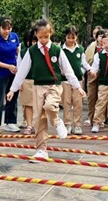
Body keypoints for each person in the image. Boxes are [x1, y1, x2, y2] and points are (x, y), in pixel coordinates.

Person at [7, 19, 86, 160]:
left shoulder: (57, 50)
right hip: (38, 87)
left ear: (51, 33)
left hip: (54, 86)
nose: (43, 40)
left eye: (46, 36)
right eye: (40, 37)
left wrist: (78, 87)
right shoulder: (32, 51)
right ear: (36, 35)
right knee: (39, 119)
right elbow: (22, 71)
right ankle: (41, 149)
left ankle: (56, 121)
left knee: (49, 106)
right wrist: (13, 89)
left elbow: (68, 70)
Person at [0, 16, 21, 133]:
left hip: (13, 72)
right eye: (4, 28)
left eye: (9, 28)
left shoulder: (14, 37)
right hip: (0, 73)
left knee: (13, 96)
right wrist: (8, 66)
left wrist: (18, 66)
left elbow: (18, 52)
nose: (7, 31)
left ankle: (10, 122)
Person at [61, 26, 90, 136]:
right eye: (68, 37)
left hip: (78, 80)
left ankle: (77, 125)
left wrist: (87, 70)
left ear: (76, 37)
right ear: (65, 37)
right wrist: (62, 72)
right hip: (65, 80)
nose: (70, 40)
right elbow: (58, 64)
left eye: (73, 37)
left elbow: (83, 63)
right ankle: (67, 124)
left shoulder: (80, 49)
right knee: (66, 102)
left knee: (78, 103)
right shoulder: (61, 49)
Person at [84, 28, 105, 127]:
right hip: (92, 75)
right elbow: (86, 60)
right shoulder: (91, 47)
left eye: (103, 36)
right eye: (99, 36)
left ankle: (100, 119)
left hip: (104, 75)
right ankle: (90, 117)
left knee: (102, 98)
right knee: (91, 97)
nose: (101, 38)